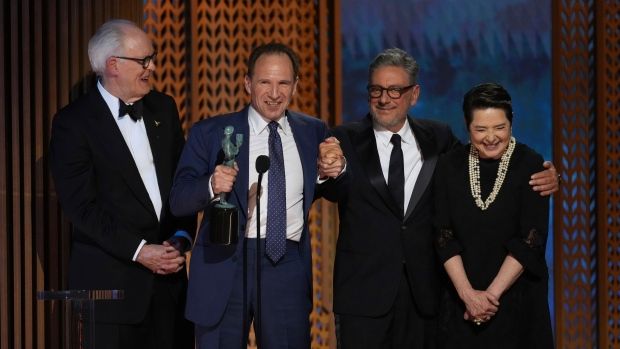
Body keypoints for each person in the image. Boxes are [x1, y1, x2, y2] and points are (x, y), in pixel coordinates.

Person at [318, 48, 558, 349]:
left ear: (414, 94)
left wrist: (549, 173)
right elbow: (330, 190)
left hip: (426, 294)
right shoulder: (343, 138)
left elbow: (488, 161)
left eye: (395, 90)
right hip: (364, 296)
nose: (384, 98)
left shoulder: (438, 138)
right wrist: (331, 171)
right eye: (376, 90)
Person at [169, 42, 343, 348]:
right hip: (225, 263)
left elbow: (334, 188)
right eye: (265, 82)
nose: (274, 93)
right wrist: (211, 184)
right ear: (248, 83)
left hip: (285, 264)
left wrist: (337, 170)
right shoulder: (211, 133)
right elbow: (179, 198)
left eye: (283, 83)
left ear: (296, 86)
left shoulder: (313, 131)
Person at [49, 19, 195, 349]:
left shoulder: (165, 108)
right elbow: (81, 208)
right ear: (113, 65)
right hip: (113, 294)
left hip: (170, 291)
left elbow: (183, 184)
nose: (152, 67)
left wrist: (182, 239)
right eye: (144, 60)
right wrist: (141, 251)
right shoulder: (73, 123)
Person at [432, 82, 554, 348]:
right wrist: (468, 296)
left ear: (511, 124)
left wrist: (489, 298)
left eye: (500, 127)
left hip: (516, 297)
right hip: (460, 297)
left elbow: (530, 239)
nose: (491, 137)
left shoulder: (532, 164)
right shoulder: (448, 166)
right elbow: (443, 235)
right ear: (467, 127)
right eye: (481, 129)